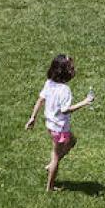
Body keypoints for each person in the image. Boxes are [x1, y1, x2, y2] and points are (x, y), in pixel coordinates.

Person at [24, 54, 95, 191]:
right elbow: (65, 110)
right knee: (56, 156)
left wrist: (32, 118)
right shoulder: (65, 90)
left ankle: (51, 165)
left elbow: (40, 100)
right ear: (64, 73)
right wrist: (85, 102)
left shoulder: (49, 83)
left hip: (50, 125)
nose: (74, 70)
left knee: (72, 141)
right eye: (71, 68)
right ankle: (49, 187)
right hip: (60, 128)